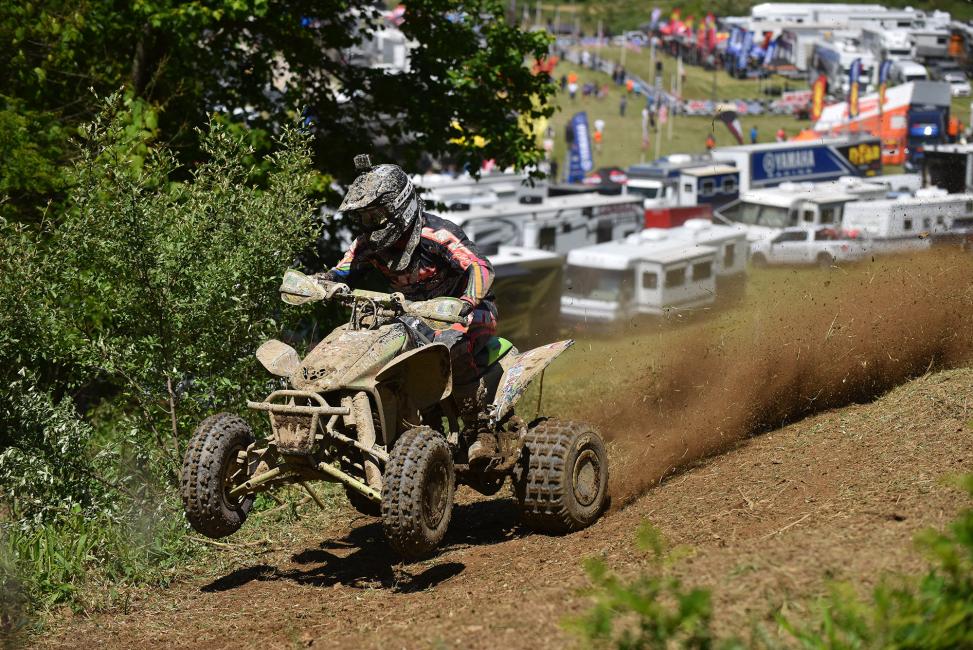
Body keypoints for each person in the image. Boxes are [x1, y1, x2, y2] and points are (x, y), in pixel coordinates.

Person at [320, 155, 499, 463]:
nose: (369, 224)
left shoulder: (437, 235)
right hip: (413, 317)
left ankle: (478, 429)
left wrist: (465, 302)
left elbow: (481, 267)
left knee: (448, 342)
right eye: (363, 217)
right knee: (368, 340)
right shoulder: (367, 245)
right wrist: (319, 283)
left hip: (468, 312)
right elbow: (340, 272)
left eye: (374, 215)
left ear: (398, 206)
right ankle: (399, 427)